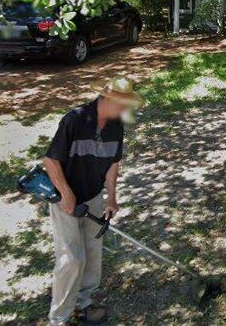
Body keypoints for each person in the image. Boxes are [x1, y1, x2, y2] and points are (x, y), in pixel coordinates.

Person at [43, 76, 141, 325]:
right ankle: (59, 317)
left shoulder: (116, 126)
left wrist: (112, 198)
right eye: (122, 103)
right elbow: (51, 161)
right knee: (72, 259)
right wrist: (66, 193)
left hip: (94, 197)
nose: (125, 108)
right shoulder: (75, 119)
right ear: (107, 98)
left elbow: (113, 164)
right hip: (65, 199)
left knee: (92, 255)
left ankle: (83, 304)